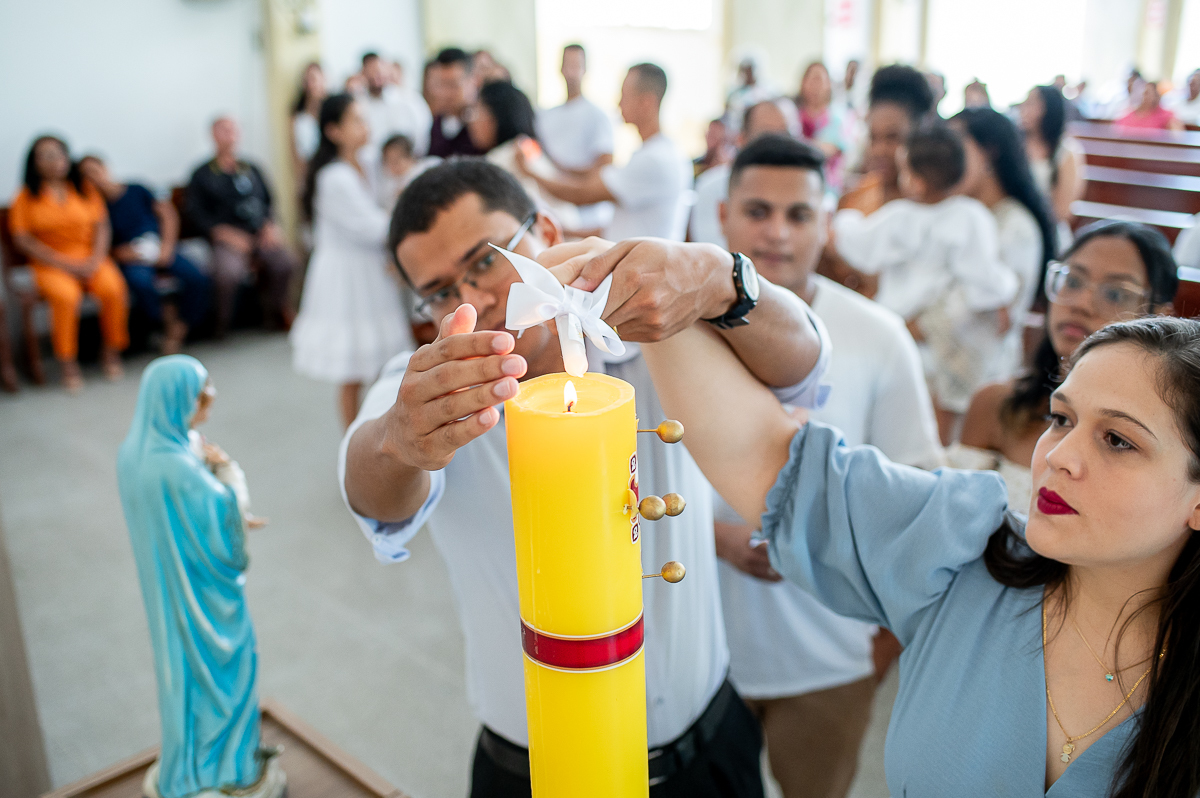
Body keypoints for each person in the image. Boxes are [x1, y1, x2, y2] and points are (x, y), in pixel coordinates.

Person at [339, 158, 829, 797]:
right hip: (537, 771)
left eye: (487, 260)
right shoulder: (433, 391)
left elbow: (806, 367)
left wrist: (720, 279)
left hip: (708, 748)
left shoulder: (653, 326)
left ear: (545, 226)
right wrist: (400, 439)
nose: (475, 300)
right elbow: (370, 487)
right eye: (439, 291)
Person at [645, 270, 1200, 797]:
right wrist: (702, 277)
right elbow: (766, 456)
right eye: (1061, 419)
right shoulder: (963, 550)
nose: (1059, 457)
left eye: (1118, 441)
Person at [714, 134, 941, 798]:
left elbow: (919, 498)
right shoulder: (680, 337)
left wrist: (881, 648)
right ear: (724, 216)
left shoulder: (876, 335)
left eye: (799, 214)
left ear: (828, 224)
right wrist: (717, 539)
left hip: (829, 660)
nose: (776, 232)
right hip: (703, 657)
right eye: (757, 211)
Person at [117, 356, 284, 798]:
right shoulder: (176, 468)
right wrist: (227, 470)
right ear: (176, 399)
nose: (209, 399)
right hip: (206, 601)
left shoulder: (136, 453)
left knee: (181, 682)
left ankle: (191, 768)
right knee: (227, 672)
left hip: (167, 591)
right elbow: (226, 533)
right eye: (201, 392)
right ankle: (222, 769)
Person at [956, 221, 1178, 511]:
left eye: (1115, 294)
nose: (1081, 303)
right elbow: (953, 522)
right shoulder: (996, 403)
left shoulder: (1153, 440)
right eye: (1073, 281)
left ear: (1159, 316)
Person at [833, 121, 1018, 442]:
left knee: (897, 413)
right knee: (937, 414)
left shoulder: (900, 217)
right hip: (940, 342)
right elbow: (984, 276)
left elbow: (861, 246)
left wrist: (842, 222)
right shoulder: (972, 216)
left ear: (915, 181)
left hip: (897, 324)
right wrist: (1001, 299)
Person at [291, 94, 414, 429]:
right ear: (334, 131)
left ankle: (385, 428)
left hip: (371, 269)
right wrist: (407, 217)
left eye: (365, 118)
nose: (365, 126)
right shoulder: (333, 177)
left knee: (382, 358)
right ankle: (353, 440)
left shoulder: (370, 163)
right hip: (347, 274)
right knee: (353, 366)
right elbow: (371, 226)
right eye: (356, 120)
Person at [9, 135, 128, 391]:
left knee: (113, 288)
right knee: (65, 296)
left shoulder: (84, 188)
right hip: (50, 264)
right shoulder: (26, 197)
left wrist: (95, 259)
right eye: (47, 155)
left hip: (91, 258)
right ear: (35, 162)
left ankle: (111, 351)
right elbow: (22, 239)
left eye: (59, 153)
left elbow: (102, 226)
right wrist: (64, 263)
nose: (55, 160)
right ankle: (68, 363)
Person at [522, 63, 693, 241]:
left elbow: (581, 194)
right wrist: (565, 231)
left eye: (624, 95)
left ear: (646, 102)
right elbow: (620, 228)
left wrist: (530, 173)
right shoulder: (660, 153)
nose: (619, 103)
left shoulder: (656, 159)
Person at [951, 107, 1059, 382]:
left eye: (954, 149)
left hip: (982, 371)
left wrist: (913, 324)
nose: (945, 163)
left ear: (988, 151)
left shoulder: (1016, 227)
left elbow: (985, 316)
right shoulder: (957, 213)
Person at [78, 156, 211, 355]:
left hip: (160, 246)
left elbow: (167, 214)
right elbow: (100, 243)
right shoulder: (96, 207)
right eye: (86, 176)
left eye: (95, 171)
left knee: (197, 277)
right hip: (132, 257)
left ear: (105, 168)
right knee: (140, 282)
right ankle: (165, 321)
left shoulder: (137, 189)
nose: (94, 178)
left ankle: (180, 328)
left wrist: (166, 246)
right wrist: (120, 253)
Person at [820, 64, 935, 292]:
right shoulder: (853, 199)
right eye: (873, 138)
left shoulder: (936, 206)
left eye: (893, 138)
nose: (879, 150)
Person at [183, 117, 297, 338]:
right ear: (214, 135)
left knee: (285, 262)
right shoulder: (202, 174)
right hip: (228, 238)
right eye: (224, 130)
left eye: (233, 129)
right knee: (228, 273)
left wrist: (270, 226)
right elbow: (196, 214)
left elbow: (268, 201)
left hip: (258, 233)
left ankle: (275, 314)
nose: (230, 134)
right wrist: (224, 234)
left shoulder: (251, 168)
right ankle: (221, 324)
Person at [689, 98, 797, 248]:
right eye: (766, 137)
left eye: (785, 135)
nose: (777, 146)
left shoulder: (801, 191)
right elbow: (717, 258)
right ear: (742, 140)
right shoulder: (712, 188)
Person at [536, 43, 616, 234]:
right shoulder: (545, 116)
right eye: (567, 64)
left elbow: (604, 166)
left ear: (585, 69)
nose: (572, 71)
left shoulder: (597, 116)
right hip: (552, 208)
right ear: (560, 68)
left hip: (587, 215)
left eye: (576, 65)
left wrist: (562, 174)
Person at [1018, 85, 1085, 230]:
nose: (1023, 108)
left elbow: (1063, 211)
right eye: (1024, 102)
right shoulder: (1015, 144)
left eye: (1031, 103)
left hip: (1048, 228)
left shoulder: (1067, 151)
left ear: (1049, 109)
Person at [355, 52, 432, 156]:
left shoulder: (409, 99)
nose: (375, 77)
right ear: (362, 73)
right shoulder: (358, 104)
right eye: (370, 72)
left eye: (379, 71)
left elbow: (423, 131)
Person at [794, 62, 849, 189]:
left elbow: (830, 149)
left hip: (828, 187)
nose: (815, 86)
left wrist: (800, 146)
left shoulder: (837, 119)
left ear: (828, 85)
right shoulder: (793, 116)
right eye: (811, 80)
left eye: (819, 80)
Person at [427, 48, 482, 158]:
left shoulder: (483, 127)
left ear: (473, 81)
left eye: (452, 85)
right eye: (440, 84)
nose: (444, 93)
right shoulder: (432, 125)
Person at [376, 134, 439, 211]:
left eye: (396, 161)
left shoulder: (430, 166)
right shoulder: (389, 186)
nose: (393, 166)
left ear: (410, 156)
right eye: (388, 161)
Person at [291, 62, 326, 175]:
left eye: (314, 79)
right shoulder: (297, 117)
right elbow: (296, 153)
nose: (311, 85)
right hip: (309, 172)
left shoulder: (332, 110)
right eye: (307, 80)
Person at [1117, 80, 1185, 131]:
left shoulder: (1167, 116)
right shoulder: (1126, 116)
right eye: (1140, 92)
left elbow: (1177, 139)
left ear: (1156, 95)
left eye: (1146, 93)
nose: (1142, 96)